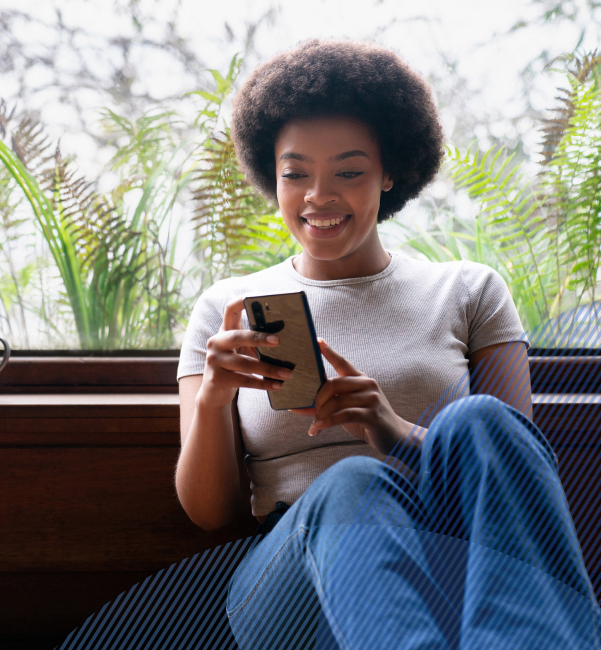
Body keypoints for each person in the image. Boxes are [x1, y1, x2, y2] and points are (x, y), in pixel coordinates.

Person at [176, 39, 601, 648]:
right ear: (272, 174)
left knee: (481, 421)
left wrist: (389, 428)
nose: (318, 196)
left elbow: (509, 475)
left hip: (454, 565)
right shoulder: (227, 308)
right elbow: (210, 512)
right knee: (354, 482)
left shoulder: (469, 291)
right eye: (295, 173)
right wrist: (215, 398)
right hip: (293, 582)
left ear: (391, 171)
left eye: (348, 172)